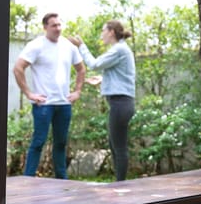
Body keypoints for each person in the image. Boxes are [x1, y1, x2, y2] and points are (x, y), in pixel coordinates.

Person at [13, 12, 86, 179]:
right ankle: (27, 180)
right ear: (45, 27)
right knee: (38, 143)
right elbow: (18, 68)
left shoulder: (69, 46)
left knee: (60, 144)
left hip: (64, 104)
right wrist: (29, 93)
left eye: (59, 25)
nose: (58, 28)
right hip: (43, 105)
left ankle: (62, 181)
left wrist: (77, 91)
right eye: (54, 25)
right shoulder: (36, 45)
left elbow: (81, 69)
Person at [68, 19, 136, 181]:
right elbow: (122, 75)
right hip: (121, 103)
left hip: (121, 104)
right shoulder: (121, 50)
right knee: (115, 145)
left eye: (103, 31)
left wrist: (81, 45)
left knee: (118, 148)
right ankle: (120, 183)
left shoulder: (119, 49)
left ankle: (121, 185)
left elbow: (94, 64)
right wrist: (102, 79)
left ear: (111, 32)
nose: (102, 34)